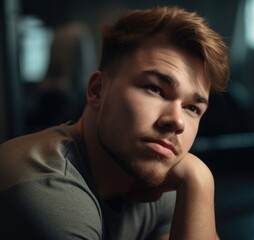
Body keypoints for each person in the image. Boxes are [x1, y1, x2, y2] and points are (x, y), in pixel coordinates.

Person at [0, 6, 229, 240]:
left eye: (192, 108)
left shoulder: (157, 178)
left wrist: (198, 180)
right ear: (98, 91)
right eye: (155, 89)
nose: (177, 121)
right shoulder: (46, 190)